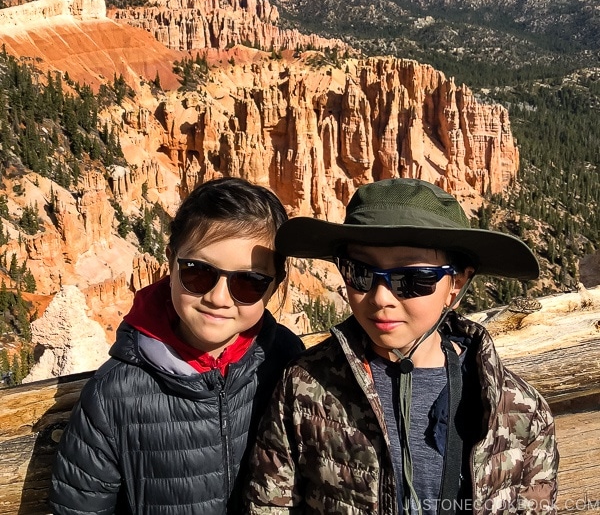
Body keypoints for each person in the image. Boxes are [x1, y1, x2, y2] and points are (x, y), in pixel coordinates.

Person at [246, 177, 558, 515]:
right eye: (359, 272)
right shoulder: (305, 387)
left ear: (456, 285)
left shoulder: (522, 411)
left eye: (413, 279)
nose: (381, 298)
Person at [50, 176, 304, 515]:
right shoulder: (115, 395)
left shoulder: (286, 359)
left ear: (274, 285)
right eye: (198, 272)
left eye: (249, 281)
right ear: (170, 261)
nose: (218, 298)